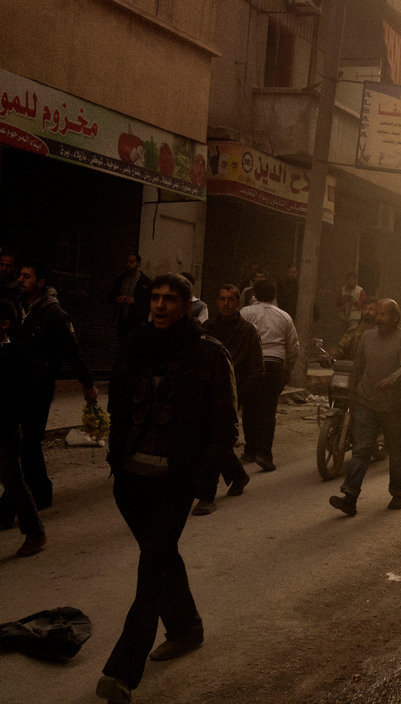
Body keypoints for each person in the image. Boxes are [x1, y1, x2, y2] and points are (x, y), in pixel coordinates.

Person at [96, 273, 238, 704]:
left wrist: (203, 481)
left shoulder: (209, 353)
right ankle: (186, 628)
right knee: (160, 558)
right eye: (154, 298)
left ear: (187, 304)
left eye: (169, 300)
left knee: (151, 568)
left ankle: (122, 672)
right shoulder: (135, 344)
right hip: (130, 479)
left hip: (175, 482)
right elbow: (119, 404)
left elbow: (225, 424)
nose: (159, 306)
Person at [0, 261, 98, 522]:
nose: (21, 280)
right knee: (26, 444)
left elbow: (72, 350)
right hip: (16, 384)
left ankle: (13, 505)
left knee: (29, 442)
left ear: (40, 283)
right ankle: (41, 490)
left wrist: (87, 384)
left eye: (27, 276)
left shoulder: (53, 314)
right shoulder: (15, 305)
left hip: (39, 385)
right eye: (20, 275)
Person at [328, 299, 401, 516]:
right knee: (361, 449)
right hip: (367, 401)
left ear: (395, 317)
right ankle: (350, 496)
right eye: (378, 314)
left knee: (396, 450)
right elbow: (358, 368)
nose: (379, 318)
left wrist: (392, 380)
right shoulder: (367, 337)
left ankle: (398, 493)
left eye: (384, 315)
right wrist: (353, 398)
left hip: (394, 405)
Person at [198, 285, 263, 514]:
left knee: (216, 440)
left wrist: (243, 393)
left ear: (238, 303)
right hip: (207, 393)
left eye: (231, 299)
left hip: (233, 393)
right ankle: (238, 475)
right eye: (222, 299)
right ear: (217, 301)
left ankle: (207, 495)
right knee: (212, 438)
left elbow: (257, 368)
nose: (226, 303)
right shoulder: (207, 328)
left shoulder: (248, 331)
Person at [0, 300, 46, 556]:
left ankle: (35, 533)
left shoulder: (14, 356)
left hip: (5, 430)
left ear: (5, 325)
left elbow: (24, 397)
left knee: (13, 482)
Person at [239, 279, 299, 472]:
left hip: (251, 365)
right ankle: (264, 453)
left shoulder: (245, 313)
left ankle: (250, 450)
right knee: (268, 410)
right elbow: (293, 348)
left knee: (249, 407)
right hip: (275, 365)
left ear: (254, 294)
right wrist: (287, 370)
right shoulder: (285, 317)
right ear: (275, 295)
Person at [107, 254, 152, 340]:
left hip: (136, 322)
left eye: (131, 262)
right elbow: (110, 298)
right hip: (121, 320)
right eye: (127, 262)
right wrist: (117, 299)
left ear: (138, 264)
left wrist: (135, 301)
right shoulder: (120, 280)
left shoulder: (145, 282)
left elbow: (148, 302)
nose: (128, 264)